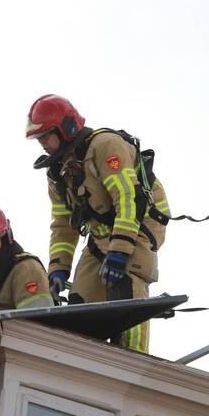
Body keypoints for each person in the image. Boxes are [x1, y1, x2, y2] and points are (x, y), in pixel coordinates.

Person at [27, 94, 169, 353]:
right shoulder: (57, 172)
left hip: (139, 226)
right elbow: (62, 224)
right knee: (81, 303)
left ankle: (135, 365)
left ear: (66, 128)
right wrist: (58, 269)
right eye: (39, 138)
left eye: (46, 135)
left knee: (127, 294)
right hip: (100, 235)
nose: (42, 144)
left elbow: (127, 199)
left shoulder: (105, 146)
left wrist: (120, 250)